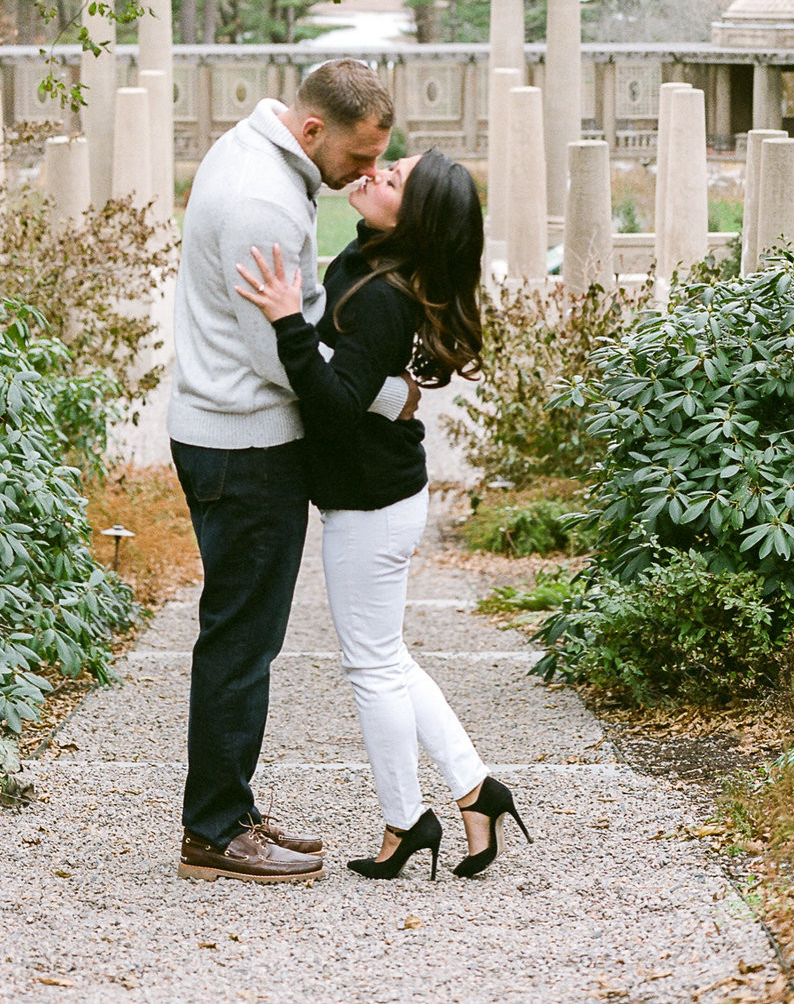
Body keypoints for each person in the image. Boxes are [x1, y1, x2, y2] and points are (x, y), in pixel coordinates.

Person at [233, 148, 529, 880]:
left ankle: (405, 821)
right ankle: (475, 790)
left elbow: (332, 406)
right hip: (378, 496)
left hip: (371, 503)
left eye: (394, 178)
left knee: (371, 665)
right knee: (386, 657)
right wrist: (388, 389)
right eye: (389, 163)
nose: (377, 171)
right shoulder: (371, 258)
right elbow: (359, 379)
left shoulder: (385, 295)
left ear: (414, 216)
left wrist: (284, 319)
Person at [168, 59, 407, 884]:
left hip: (233, 431)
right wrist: (381, 396)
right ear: (312, 132)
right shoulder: (264, 200)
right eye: (361, 155)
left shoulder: (260, 150)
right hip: (244, 441)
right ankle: (215, 829)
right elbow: (282, 353)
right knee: (242, 636)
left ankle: (230, 804)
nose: (369, 173)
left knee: (247, 632)